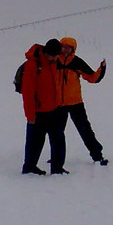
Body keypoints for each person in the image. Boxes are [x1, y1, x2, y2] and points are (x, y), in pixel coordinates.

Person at [20, 38, 68, 175]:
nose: (55, 58)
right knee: (34, 143)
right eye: (53, 55)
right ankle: (29, 167)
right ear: (46, 52)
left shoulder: (53, 63)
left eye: (57, 55)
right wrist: (30, 116)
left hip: (54, 109)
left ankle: (57, 168)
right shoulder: (32, 65)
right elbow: (27, 93)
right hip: (38, 112)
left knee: (58, 140)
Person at [57, 36, 109, 165]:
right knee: (56, 132)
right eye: (63, 46)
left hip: (75, 103)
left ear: (73, 49)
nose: (65, 50)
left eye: (68, 48)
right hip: (57, 103)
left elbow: (92, 78)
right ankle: (56, 157)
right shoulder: (53, 60)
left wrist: (101, 69)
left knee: (85, 130)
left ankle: (97, 155)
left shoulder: (77, 61)